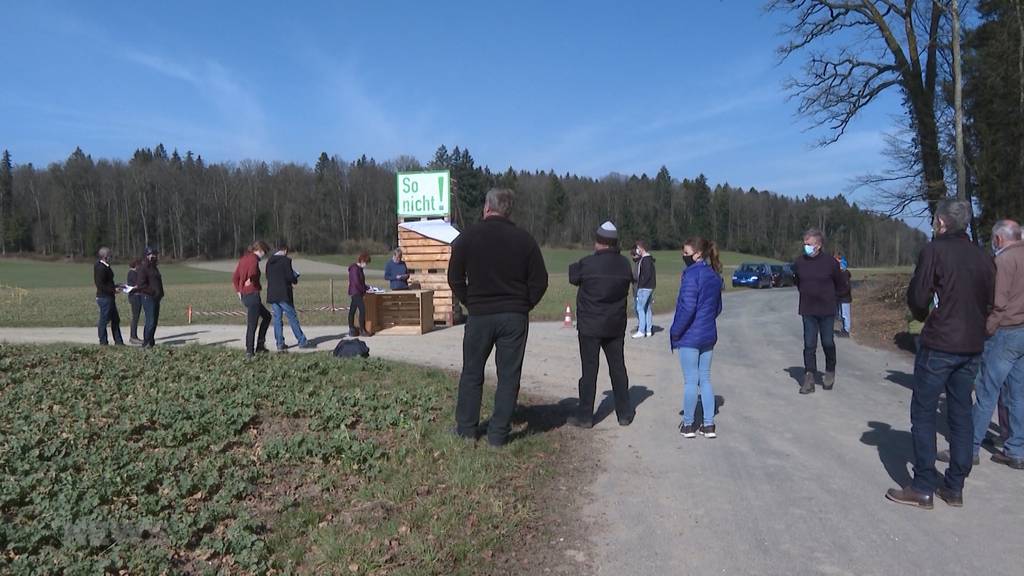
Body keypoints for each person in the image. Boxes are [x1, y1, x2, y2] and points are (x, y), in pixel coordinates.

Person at [886, 200, 995, 509]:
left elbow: (919, 297)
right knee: (961, 413)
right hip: (972, 344)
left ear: (941, 223)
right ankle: (955, 486)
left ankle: (922, 485)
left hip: (941, 342)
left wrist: (923, 314)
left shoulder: (935, 250)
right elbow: (991, 301)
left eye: (935, 220)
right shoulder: (984, 257)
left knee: (923, 411)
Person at [448, 188, 549, 447]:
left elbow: (454, 277)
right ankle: (498, 435)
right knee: (508, 375)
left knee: (472, 372)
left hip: (480, 314)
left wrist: (469, 301)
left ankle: (467, 429)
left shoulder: (467, 237)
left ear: (486, 207)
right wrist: (524, 304)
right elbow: (540, 281)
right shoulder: (524, 240)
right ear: (508, 211)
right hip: (514, 316)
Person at [567, 221, 636, 428]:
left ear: (599, 242)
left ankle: (585, 415)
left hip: (589, 326)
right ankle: (624, 413)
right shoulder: (624, 264)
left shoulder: (588, 263)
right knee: (617, 368)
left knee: (589, 370)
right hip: (615, 325)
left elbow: (573, 276)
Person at [971, 219, 1024, 470]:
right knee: (1018, 394)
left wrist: (987, 329)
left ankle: (969, 447)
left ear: (999, 239)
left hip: (1006, 330)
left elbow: (998, 302)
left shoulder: (1003, 261)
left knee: (986, 390)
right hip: (1022, 331)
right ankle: (1016, 450)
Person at [670, 237, 724, 438]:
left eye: (686, 253)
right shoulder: (714, 276)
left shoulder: (690, 276)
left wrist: (675, 331)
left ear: (698, 254)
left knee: (691, 381)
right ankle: (708, 425)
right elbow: (718, 308)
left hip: (690, 336)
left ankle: (688, 424)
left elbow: (687, 307)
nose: (683, 256)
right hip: (708, 335)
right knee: (705, 379)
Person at [793, 228, 848, 394]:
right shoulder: (800, 262)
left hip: (826, 310)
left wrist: (832, 299)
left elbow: (840, 284)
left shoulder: (830, 263)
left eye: (808, 244)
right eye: (805, 244)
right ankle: (809, 377)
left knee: (827, 342)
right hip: (808, 309)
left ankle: (830, 371)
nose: (806, 247)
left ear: (818, 245)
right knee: (809, 345)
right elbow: (797, 281)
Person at [266, 241, 313, 351]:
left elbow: (268, 277)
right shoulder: (286, 261)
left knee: (277, 319)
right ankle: (302, 341)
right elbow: (289, 277)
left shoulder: (269, 262)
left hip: (272, 294)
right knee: (292, 317)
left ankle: (279, 344)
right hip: (283, 294)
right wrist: (295, 276)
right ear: (285, 250)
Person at [233, 241, 272, 358]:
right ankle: (250, 351)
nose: (263, 255)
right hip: (252, 295)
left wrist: (239, 291)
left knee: (267, 316)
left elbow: (235, 277)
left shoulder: (243, 259)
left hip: (245, 295)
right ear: (260, 250)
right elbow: (253, 272)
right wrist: (252, 279)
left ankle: (260, 345)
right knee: (252, 324)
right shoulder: (254, 260)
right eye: (264, 253)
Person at [93, 246, 125, 346]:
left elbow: (107, 282)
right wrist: (113, 290)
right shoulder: (100, 268)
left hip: (109, 297)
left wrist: (117, 285)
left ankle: (119, 342)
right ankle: (103, 342)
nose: (112, 257)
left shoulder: (105, 266)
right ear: (105, 256)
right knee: (104, 320)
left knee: (115, 319)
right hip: (104, 297)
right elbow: (100, 284)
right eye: (110, 255)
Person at [134, 246, 164, 349]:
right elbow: (141, 285)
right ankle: (146, 343)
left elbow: (158, 282)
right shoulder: (143, 268)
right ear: (147, 255)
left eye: (155, 254)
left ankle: (151, 341)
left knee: (154, 321)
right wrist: (152, 291)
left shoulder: (154, 267)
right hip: (148, 297)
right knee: (150, 321)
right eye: (152, 254)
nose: (154, 256)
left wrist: (160, 293)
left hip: (156, 298)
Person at [632, 240, 656, 339]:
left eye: (637, 248)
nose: (636, 251)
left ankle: (641, 330)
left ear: (641, 248)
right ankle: (649, 330)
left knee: (640, 308)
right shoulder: (649, 259)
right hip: (649, 287)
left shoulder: (645, 260)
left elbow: (645, 276)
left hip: (644, 288)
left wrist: (640, 288)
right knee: (647, 308)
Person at [348, 252, 371, 337]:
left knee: (352, 310)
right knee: (362, 310)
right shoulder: (354, 269)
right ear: (362, 260)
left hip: (358, 292)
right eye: (366, 262)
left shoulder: (360, 269)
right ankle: (362, 330)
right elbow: (357, 282)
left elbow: (361, 282)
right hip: (356, 292)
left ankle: (352, 329)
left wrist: (367, 287)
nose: (366, 265)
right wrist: (364, 289)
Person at [125, 259, 143, 345]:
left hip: (137, 296)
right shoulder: (132, 273)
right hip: (135, 297)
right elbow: (134, 285)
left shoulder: (134, 273)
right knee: (135, 317)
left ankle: (134, 336)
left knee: (136, 317)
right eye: (139, 265)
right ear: (136, 265)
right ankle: (133, 337)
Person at [835, 253, 853, 337]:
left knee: (845, 315)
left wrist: (839, 294)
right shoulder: (840, 274)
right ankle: (844, 328)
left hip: (845, 298)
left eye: (839, 264)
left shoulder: (845, 274)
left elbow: (846, 288)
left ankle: (846, 330)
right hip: (840, 298)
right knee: (841, 315)